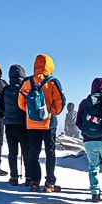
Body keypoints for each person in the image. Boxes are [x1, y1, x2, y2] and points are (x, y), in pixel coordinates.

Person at [18, 54, 66, 192]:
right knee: (50, 153)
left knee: (33, 153)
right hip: (48, 123)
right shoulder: (52, 82)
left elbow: (21, 103)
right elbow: (60, 103)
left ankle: (34, 181)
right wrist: (50, 111)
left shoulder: (27, 82)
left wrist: (31, 113)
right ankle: (49, 183)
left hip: (32, 123)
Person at [1, 64, 28, 184]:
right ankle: (29, 177)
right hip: (22, 125)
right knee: (26, 151)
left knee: (12, 152)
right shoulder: (25, 90)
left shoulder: (5, 89)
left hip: (9, 124)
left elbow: (1, 106)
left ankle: (14, 176)